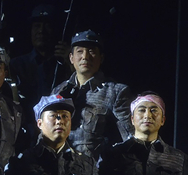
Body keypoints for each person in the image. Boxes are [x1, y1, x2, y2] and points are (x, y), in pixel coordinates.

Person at [52, 29, 133, 159]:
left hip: (96, 167)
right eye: (80, 51)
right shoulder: (59, 91)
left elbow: (130, 137)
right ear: (71, 58)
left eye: (91, 51)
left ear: (101, 58)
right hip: (62, 165)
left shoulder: (115, 92)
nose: (85, 57)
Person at [9, 4, 72, 133]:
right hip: (26, 131)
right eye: (37, 26)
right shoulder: (17, 65)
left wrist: (71, 61)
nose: (41, 31)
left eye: (47, 26)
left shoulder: (65, 64)